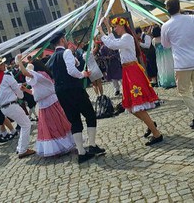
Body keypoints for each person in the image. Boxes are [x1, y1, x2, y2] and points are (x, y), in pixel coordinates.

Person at [98, 17, 163, 145]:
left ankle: (156, 133)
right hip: (128, 71)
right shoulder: (124, 38)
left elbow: (112, 44)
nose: (115, 29)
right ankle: (150, 124)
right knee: (130, 106)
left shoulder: (127, 37)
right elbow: (114, 42)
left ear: (122, 26)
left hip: (132, 72)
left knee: (136, 105)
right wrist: (107, 27)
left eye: (116, 26)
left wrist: (101, 31)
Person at [46, 31, 105, 163]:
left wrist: (74, 59)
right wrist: (82, 74)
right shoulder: (65, 52)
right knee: (90, 114)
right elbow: (71, 71)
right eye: (65, 39)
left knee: (74, 120)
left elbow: (66, 69)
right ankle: (92, 145)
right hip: (74, 89)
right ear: (62, 40)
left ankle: (81, 152)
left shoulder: (52, 58)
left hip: (61, 92)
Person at [161, 0, 194, 128]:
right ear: (179, 7)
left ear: (167, 10)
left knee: (184, 91)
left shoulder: (166, 26)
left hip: (181, 63)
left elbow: (165, 45)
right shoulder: (191, 18)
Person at [16, 55, 75, 157]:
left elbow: (25, 73)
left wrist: (19, 62)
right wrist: (26, 90)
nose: (29, 68)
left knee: (55, 125)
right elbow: (36, 92)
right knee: (51, 127)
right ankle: (59, 147)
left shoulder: (40, 74)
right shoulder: (39, 76)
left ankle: (63, 146)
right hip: (45, 104)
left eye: (31, 66)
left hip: (50, 103)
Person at [0, 57, 35, 159]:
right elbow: (18, 93)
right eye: (2, 64)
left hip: (3, 108)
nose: (4, 65)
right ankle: (23, 150)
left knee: (24, 124)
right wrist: (20, 93)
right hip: (11, 105)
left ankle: (20, 147)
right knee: (26, 124)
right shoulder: (6, 77)